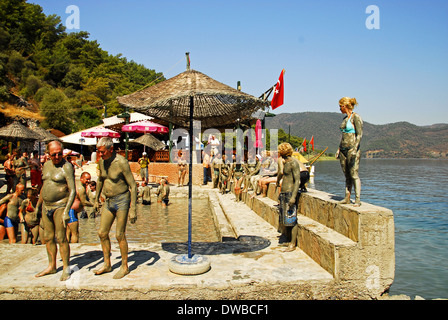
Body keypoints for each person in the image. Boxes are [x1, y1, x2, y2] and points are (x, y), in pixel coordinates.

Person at [93, 137, 137, 279]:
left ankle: (125, 266)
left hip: (122, 200)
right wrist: (95, 199)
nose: (100, 154)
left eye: (102, 152)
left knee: (119, 234)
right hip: (108, 200)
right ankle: (107, 264)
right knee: (102, 233)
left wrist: (133, 209)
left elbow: (133, 185)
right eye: (98, 152)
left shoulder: (121, 162)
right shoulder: (101, 161)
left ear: (111, 149)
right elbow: (101, 179)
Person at [35, 140, 76, 281]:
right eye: (54, 154)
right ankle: (52, 266)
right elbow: (44, 186)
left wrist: (66, 211)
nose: (57, 157)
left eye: (60, 154)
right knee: (48, 237)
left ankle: (66, 267)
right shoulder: (46, 165)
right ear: (48, 154)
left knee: (61, 237)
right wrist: (37, 206)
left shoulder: (67, 167)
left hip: (60, 205)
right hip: (46, 205)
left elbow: (72, 190)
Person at [336, 97, 363, 207]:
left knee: (354, 174)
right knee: (347, 174)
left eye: (340, 106)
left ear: (345, 106)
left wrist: (355, 149)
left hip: (352, 149)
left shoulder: (355, 117)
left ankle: (357, 199)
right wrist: (338, 149)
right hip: (343, 149)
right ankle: (347, 197)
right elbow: (343, 136)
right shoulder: (344, 119)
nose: (339, 109)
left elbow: (359, 134)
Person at [276, 143, 301, 252]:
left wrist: (293, 197)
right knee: (284, 218)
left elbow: (297, 181)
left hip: (290, 192)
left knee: (292, 218)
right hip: (284, 192)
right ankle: (287, 239)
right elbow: (281, 174)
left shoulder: (293, 163)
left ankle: (292, 244)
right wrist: (277, 182)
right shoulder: (284, 162)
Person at [67, 172, 94, 243]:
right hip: (72, 211)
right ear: (81, 179)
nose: (88, 181)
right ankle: (74, 248)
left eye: (89, 179)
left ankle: (68, 249)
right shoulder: (81, 188)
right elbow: (84, 202)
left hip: (71, 211)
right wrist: (94, 204)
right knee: (75, 233)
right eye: (86, 179)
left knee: (68, 232)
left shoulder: (76, 186)